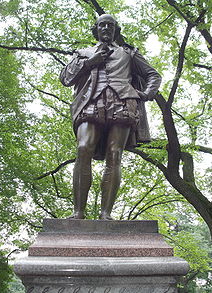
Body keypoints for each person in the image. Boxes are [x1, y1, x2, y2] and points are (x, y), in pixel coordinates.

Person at [60, 14, 161, 220]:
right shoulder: (83, 53)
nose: (106, 28)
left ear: (116, 30)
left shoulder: (129, 53)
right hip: (91, 102)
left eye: (110, 25)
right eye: (102, 25)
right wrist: (89, 63)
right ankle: (78, 212)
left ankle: (106, 215)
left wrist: (145, 94)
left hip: (122, 102)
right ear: (96, 29)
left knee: (115, 154)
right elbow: (66, 78)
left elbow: (153, 75)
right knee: (83, 148)